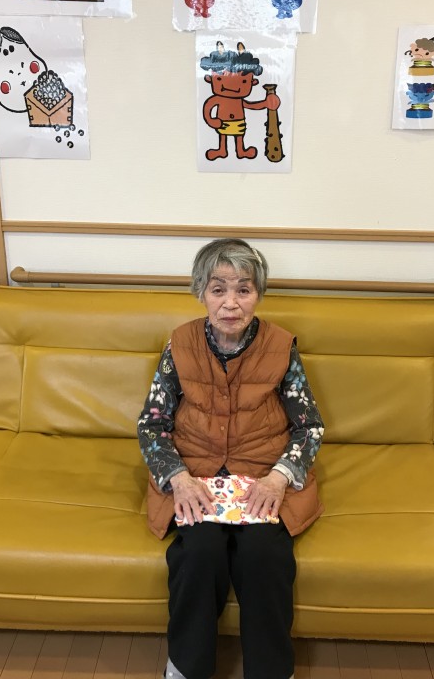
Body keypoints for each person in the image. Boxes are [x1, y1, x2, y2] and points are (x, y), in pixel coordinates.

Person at [138, 238, 325, 679]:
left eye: (244, 289)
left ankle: (272, 672)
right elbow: (152, 424)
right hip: (195, 476)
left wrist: (279, 477)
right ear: (200, 292)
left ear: (258, 294)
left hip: (262, 477)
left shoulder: (280, 345)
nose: (231, 303)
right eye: (218, 289)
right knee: (199, 553)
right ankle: (186, 669)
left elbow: (309, 426)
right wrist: (178, 478)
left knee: (264, 555)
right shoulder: (180, 343)